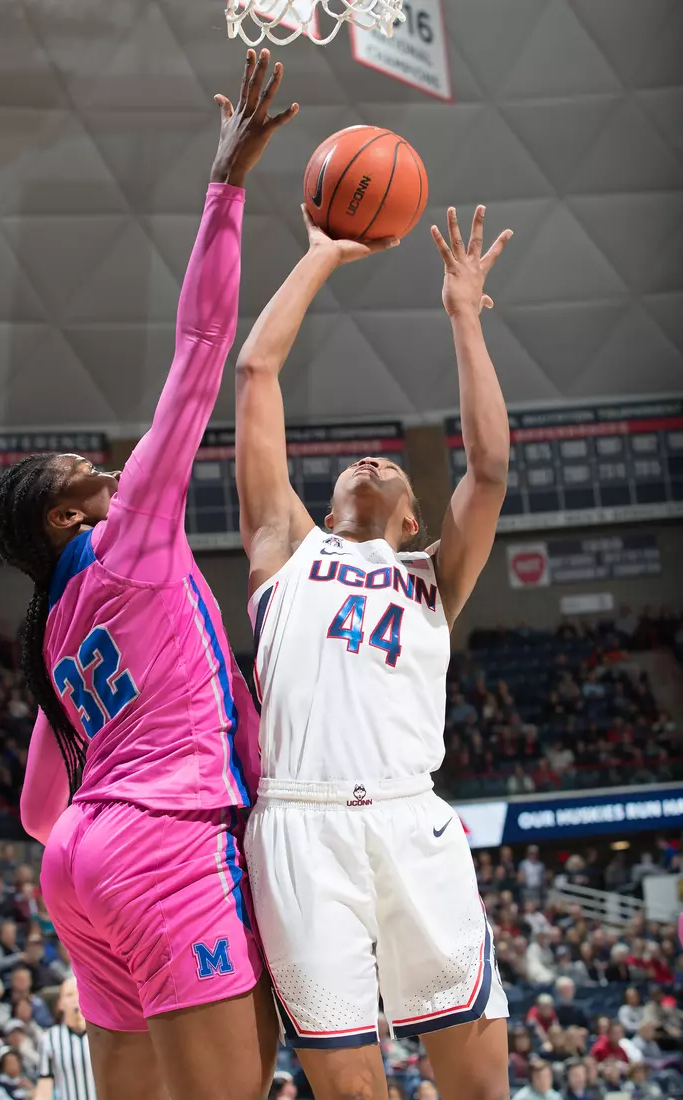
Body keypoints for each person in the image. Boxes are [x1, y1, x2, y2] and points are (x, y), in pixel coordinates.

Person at [0, 48, 296, 1100]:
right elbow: (202, 346)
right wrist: (226, 185)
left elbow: (40, 811)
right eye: (84, 469)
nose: (109, 465)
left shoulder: (53, 628)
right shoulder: (126, 541)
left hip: (79, 864)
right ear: (68, 516)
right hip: (163, 845)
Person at [236, 200, 512, 1100]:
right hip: (299, 826)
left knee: (479, 1085)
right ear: (324, 504)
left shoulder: (434, 574)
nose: (372, 459)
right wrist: (320, 254)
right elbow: (255, 371)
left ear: (413, 521)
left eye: (391, 466)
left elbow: (488, 469)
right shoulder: (286, 548)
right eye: (358, 462)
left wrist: (463, 317)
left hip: (408, 819)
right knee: (352, 1090)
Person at [32, 979, 96, 1100]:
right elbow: (44, 1086)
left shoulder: (102, 1035)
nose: (75, 999)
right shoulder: (50, 1038)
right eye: (69, 995)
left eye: (80, 992)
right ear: (60, 1003)